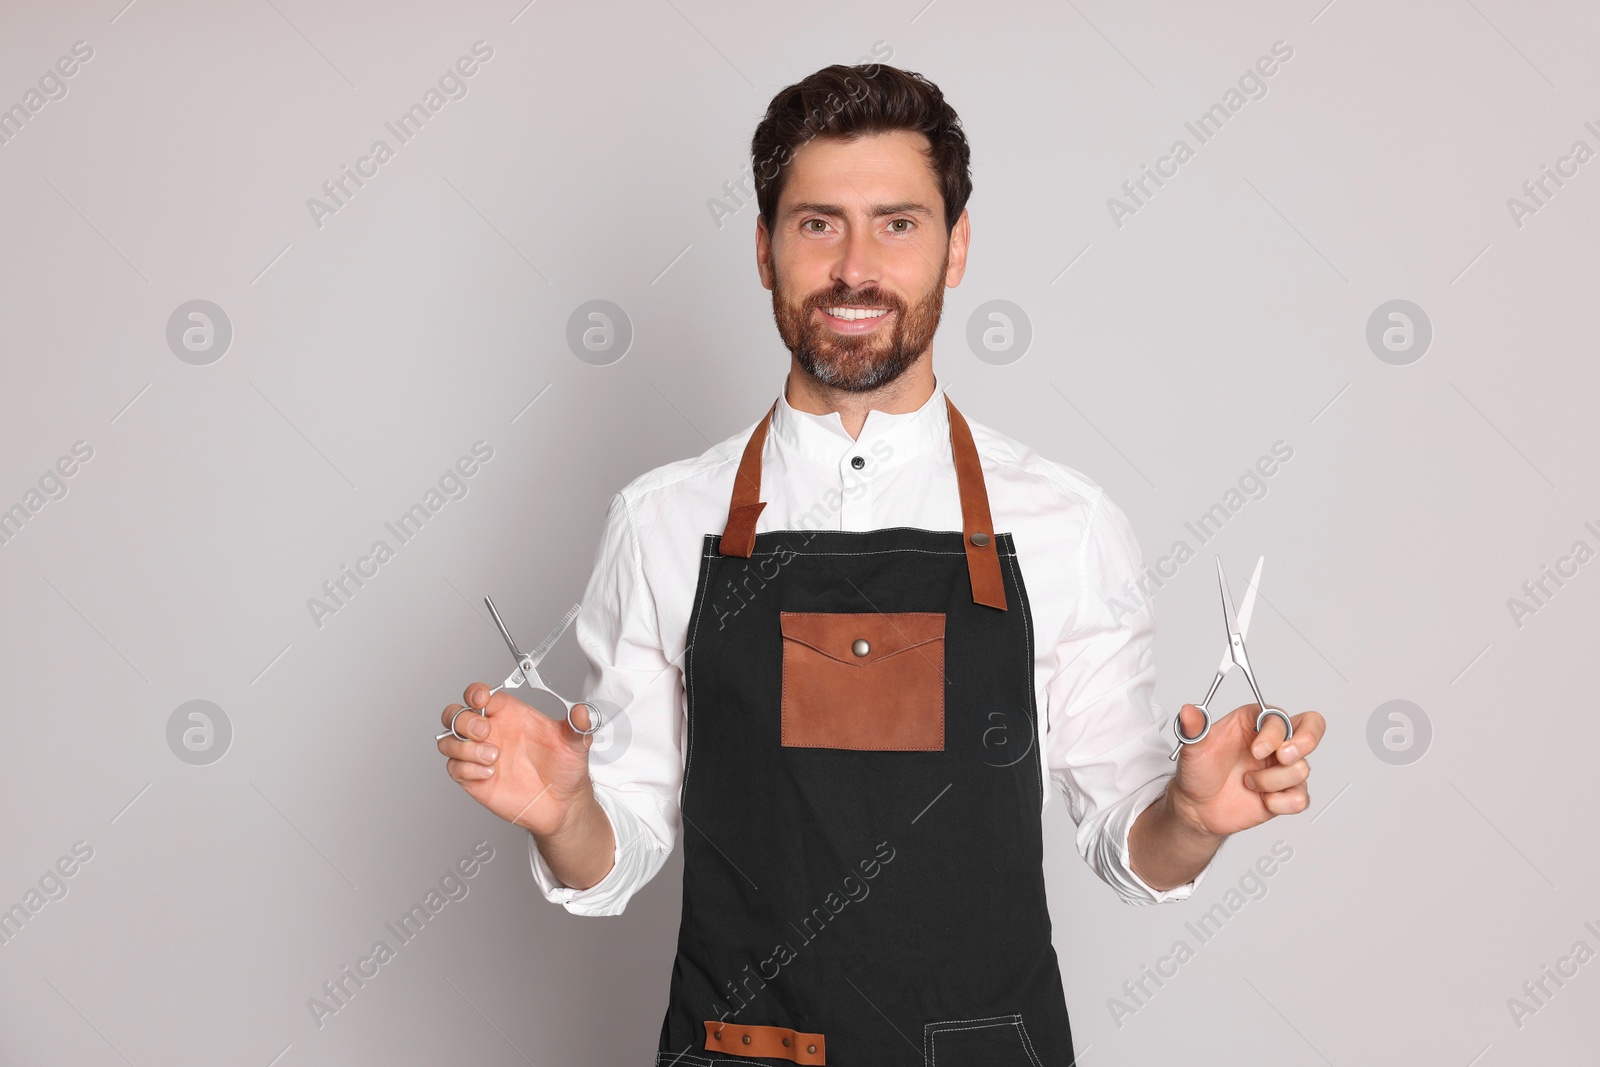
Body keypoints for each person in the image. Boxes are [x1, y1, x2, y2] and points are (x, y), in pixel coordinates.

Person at [436, 62, 1323, 1066]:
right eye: (818, 223)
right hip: (743, 1047)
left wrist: (1192, 818)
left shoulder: (1067, 523)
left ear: (955, 250)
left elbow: (1128, 841)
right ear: (764, 251)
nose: (855, 266)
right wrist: (566, 813)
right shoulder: (661, 519)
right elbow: (618, 852)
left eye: (897, 223)